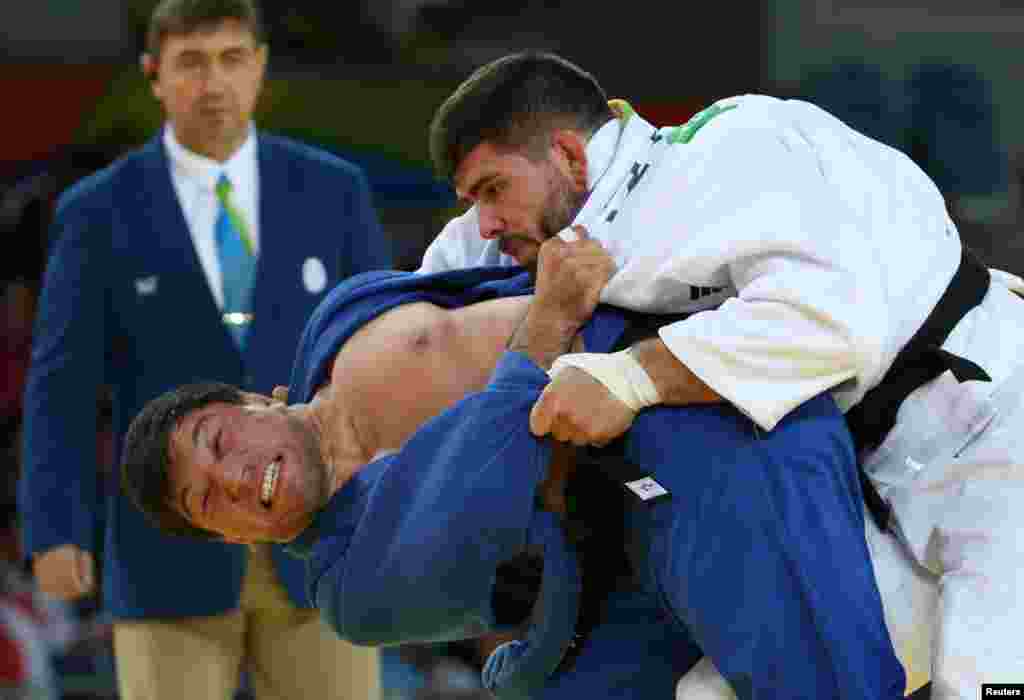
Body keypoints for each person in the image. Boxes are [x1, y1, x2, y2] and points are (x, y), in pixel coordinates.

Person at [418, 51, 1024, 698]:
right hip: (879, 475)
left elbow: (835, 321)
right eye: (470, 200)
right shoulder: (560, 218)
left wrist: (631, 378)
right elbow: (425, 297)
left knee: (984, 686)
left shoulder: (731, 156)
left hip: (996, 431)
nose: (484, 221)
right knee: (714, 693)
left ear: (569, 156)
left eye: (492, 190)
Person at [120, 265, 919, 700]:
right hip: (666, 475)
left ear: (258, 398)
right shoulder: (351, 589)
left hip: (705, 330)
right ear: (231, 541)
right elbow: (479, 498)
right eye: (208, 503)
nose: (231, 478)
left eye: (218, 441)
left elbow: (494, 262)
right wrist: (541, 331)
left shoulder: (343, 316)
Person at [18, 1, 390, 698]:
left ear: (259, 67)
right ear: (154, 75)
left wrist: (393, 492)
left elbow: (379, 348)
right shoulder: (98, 209)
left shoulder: (334, 189)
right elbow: (60, 383)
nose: (212, 82)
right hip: (165, 549)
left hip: (322, 531)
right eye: (190, 62)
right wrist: (52, 525)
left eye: (230, 58)